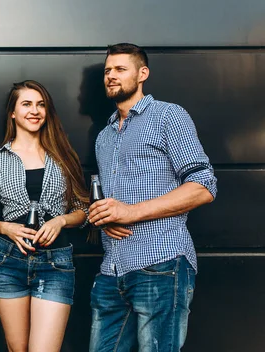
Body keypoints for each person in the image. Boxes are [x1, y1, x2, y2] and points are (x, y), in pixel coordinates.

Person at [88, 43, 217, 351]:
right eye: (108, 71)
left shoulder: (168, 116)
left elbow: (203, 185)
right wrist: (104, 218)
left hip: (159, 263)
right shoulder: (104, 136)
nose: (111, 76)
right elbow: (113, 203)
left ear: (142, 73)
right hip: (112, 270)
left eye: (120, 69)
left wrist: (130, 213)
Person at [0, 80, 89, 352]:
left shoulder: (64, 156)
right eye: (27, 104)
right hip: (7, 261)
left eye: (41, 104)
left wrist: (61, 220)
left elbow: (83, 209)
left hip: (56, 263)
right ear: (13, 113)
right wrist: (7, 228)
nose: (35, 110)